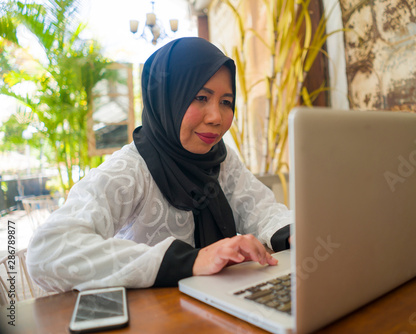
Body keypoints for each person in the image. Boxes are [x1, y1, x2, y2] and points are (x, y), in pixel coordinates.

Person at [26, 37, 291, 292]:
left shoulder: (220, 158)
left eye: (226, 102)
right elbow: (48, 250)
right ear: (168, 99)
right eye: (201, 97)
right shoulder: (132, 170)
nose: (216, 117)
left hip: (221, 305)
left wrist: (293, 234)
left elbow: (260, 209)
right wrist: (190, 261)